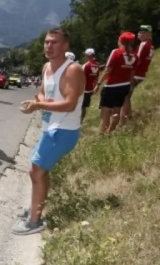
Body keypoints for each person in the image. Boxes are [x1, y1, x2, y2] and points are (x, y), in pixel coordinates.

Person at [14, 27, 85, 235]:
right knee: (39, 171)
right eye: (46, 42)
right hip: (49, 128)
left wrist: (39, 106)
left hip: (63, 130)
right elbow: (43, 94)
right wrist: (35, 103)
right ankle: (36, 208)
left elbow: (70, 104)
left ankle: (34, 221)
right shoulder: (46, 67)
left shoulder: (73, 70)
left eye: (54, 42)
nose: (48, 46)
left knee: (35, 170)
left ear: (65, 46)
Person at [95, 32, 136, 134]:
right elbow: (132, 73)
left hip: (111, 86)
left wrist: (98, 83)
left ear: (120, 41)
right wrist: (130, 86)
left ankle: (102, 134)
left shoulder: (116, 52)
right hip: (125, 86)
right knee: (116, 111)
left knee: (106, 112)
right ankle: (110, 131)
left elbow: (107, 70)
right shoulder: (134, 56)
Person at [122, 25, 153, 124]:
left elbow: (137, 58)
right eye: (139, 32)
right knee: (127, 95)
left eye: (143, 32)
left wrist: (128, 70)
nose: (140, 34)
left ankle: (126, 118)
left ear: (148, 34)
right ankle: (128, 116)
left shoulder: (143, 44)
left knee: (125, 96)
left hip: (136, 74)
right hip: (141, 73)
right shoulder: (151, 45)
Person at [81, 48, 101, 123]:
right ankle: (81, 121)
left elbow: (82, 78)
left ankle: (78, 121)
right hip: (90, 88)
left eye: (86, 55)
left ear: (88, 55)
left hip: (83, 89)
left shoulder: (86, 65)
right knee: (84, 106)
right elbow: (96, 78)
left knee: (79, 106)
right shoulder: (97, 65)